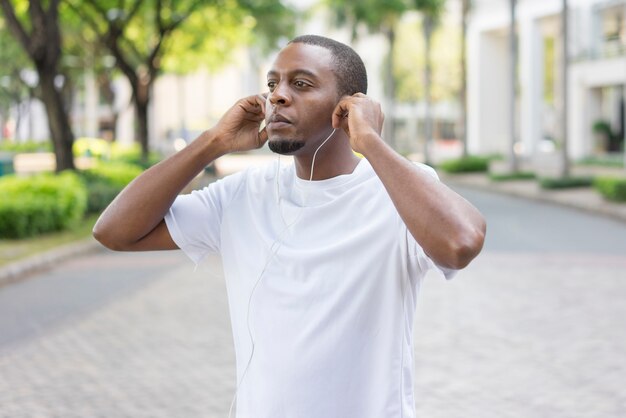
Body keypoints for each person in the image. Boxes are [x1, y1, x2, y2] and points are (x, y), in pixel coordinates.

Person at [94, 34, 486, 418]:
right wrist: (214, 142)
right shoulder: (241, 195)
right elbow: (114, 231)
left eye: (301, 84)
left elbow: (461, 241)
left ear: (348, 106)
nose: (277, 96)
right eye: (272, 84)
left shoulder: (397, 191)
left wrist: (369, 142)